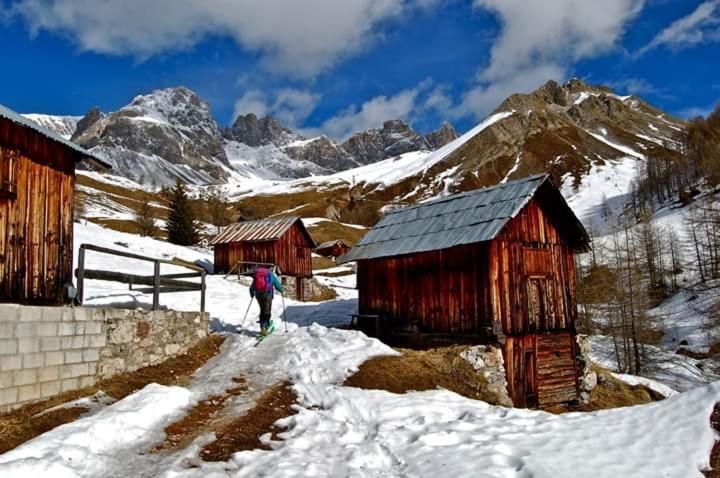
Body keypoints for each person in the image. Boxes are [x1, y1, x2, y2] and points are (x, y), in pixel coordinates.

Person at [249, 266, 284, 336]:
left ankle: (262, 326)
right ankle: (265, 326)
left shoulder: (257, 274)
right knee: (267, 311)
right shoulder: (270, 274)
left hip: (258, 295)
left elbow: (252, 286)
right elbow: (276, 284)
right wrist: (281, 290)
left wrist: (252, 294)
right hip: (267, 294)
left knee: (262, 310)